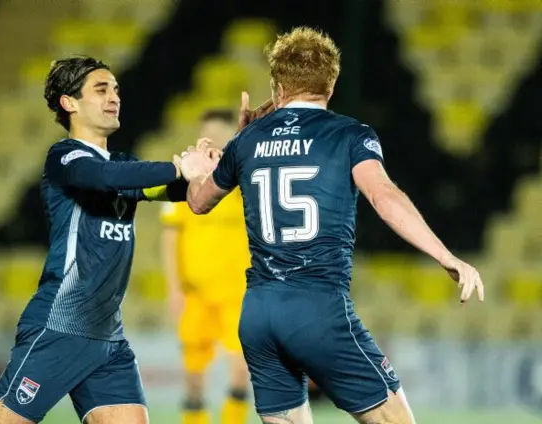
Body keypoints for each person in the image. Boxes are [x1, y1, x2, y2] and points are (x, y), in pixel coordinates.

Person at [184, 27, 484, 424]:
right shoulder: (349, 135)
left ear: (276, 84)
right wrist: (446, 256)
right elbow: (384, 197)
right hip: (317, 307)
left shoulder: (247, 140)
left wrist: (197, 171)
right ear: (333, 81)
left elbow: (199, 202)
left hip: (258, 312)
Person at [0, 56, 216, 424]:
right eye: (101, 88)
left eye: (116, 89)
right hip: (58, 327)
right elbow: (103, 175)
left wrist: (214, 168)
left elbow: (180, 192)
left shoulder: (124, 167)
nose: (115, 96)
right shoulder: (64, 158)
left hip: (108, 338)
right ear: (69, 102)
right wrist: (178, 168)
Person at [161, 109, 250, 424]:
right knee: (194, 376)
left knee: (241, 370)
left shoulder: (245, 180)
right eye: (206, 132)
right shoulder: (185, 179)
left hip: (236, 293)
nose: (211, 139)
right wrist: (173, 289)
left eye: (218, 132)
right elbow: (170, 239)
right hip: (195, 293)